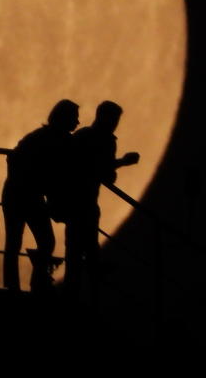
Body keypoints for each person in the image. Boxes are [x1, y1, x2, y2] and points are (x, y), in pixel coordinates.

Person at [58, 100, 139, 300]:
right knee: (83, 252)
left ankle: (77, 293)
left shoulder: (84, 136)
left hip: (80, 203)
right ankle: (80, 296)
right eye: (114, 119)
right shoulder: (97, 139)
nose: (115, 123)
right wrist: (121, 162)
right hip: (81, 203)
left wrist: (114, 165)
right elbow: (100, 171)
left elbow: (102, 171)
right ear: (103, 117)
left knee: (79, 252)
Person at [2, 99, 79, 292]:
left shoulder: (46, 137)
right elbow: (15, 160)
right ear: (64, 118)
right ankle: (31, 283)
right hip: (22, 194)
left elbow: (13, 158)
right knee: (28, 241)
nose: (77, 122)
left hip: (22, 194)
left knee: (25, 241)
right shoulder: (48, 139)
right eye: (74, 118)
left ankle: (29, 282)